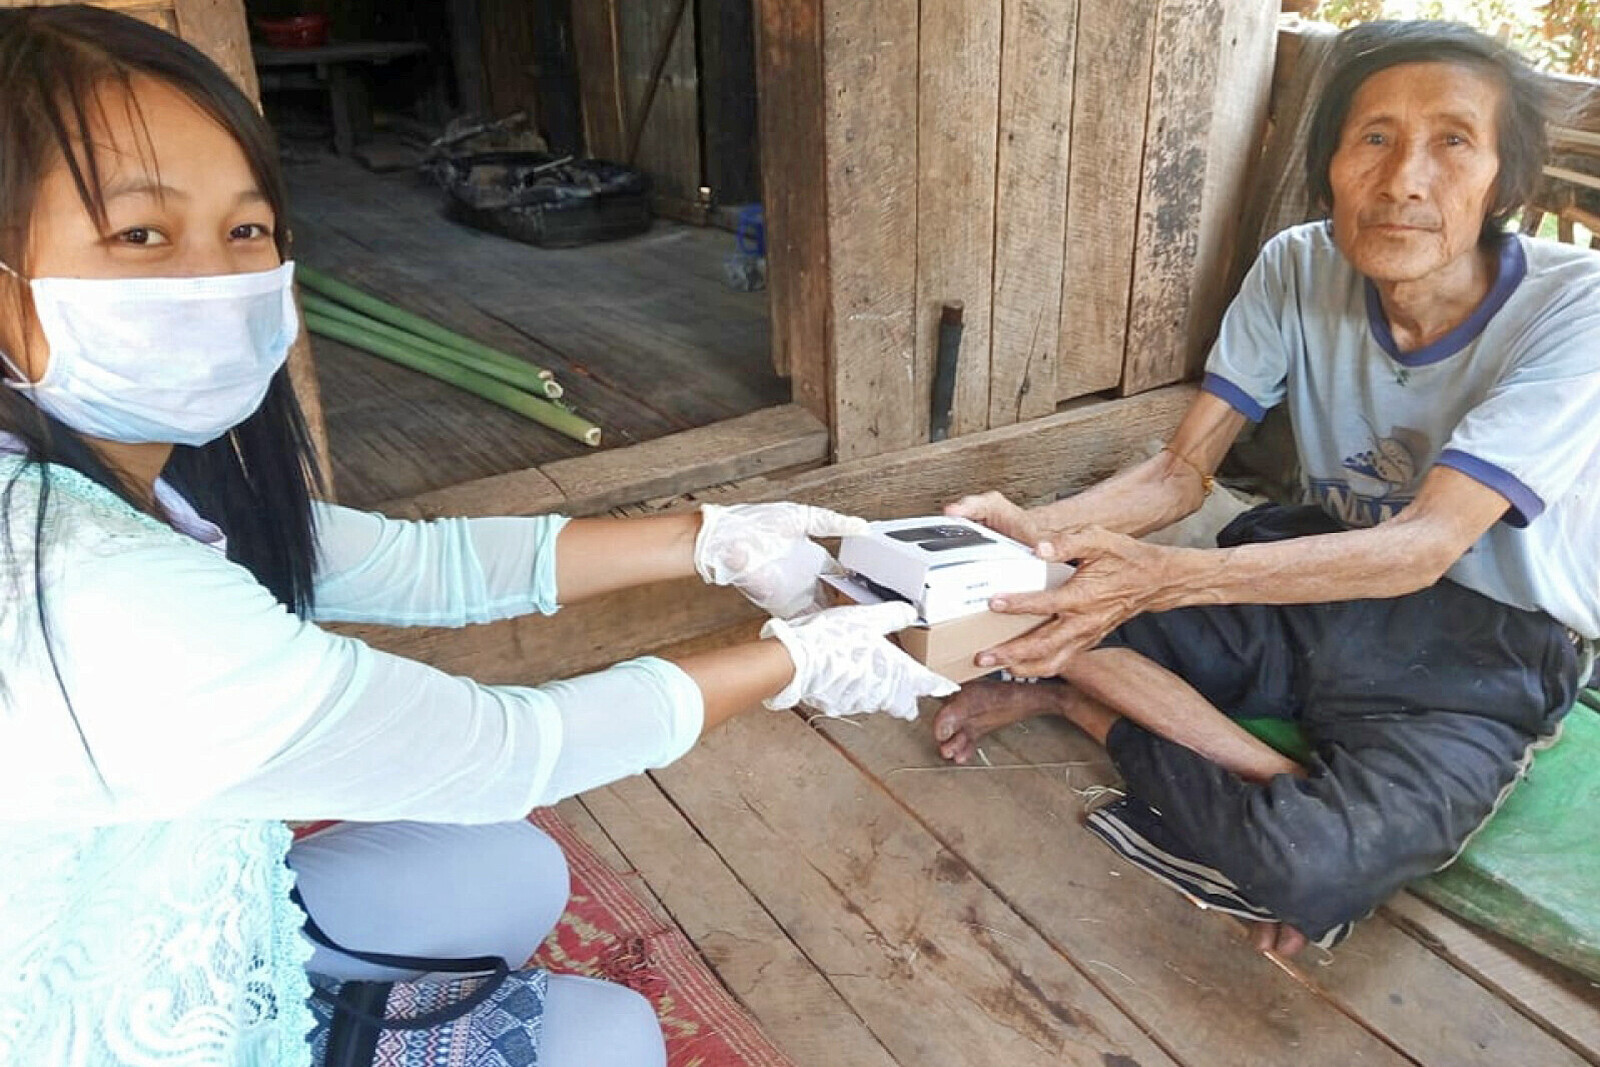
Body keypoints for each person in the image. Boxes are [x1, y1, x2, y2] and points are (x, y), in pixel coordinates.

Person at [0, 7, 955, 1066]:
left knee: (512, 868)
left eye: (246, 229)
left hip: (164, 893)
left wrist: (713, 537)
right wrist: (793, 660)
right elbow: (509, 750)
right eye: (140, 235)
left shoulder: (112, 476)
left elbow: (422, 564)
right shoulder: (90, 588)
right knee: (610, 1035)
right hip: (91, 1024)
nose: (215, 283)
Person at [931, 19, 1600, 957]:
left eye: (1452, 142)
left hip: (1485, 646)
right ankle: (1237, 756)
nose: (1404, 178)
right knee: (1021, 601)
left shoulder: (1578, 305)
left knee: (1310, 866)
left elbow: (1425, 544)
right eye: (1373, 137)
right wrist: (1034, 534)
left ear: (1506, 182)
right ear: (1329, 161)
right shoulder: (1297, 262)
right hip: (1313, 576)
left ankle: (1082, 703)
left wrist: (1159, 579)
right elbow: (1180, 472)